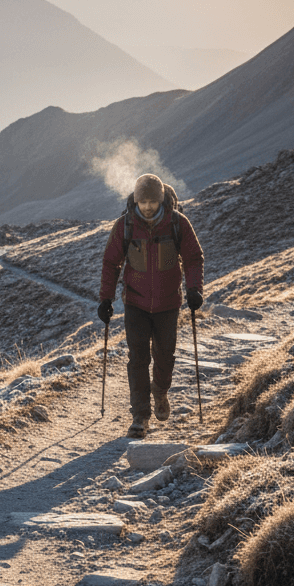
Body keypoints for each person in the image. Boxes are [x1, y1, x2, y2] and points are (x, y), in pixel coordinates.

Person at [97, 173, 204, 438]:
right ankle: (140, 416)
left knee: (165, 356)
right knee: (138, 358)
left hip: (169, 304)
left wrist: (194, 289)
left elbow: (193, 257)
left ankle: (160, 390)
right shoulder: (125, 226)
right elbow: (111, 263)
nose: (147, 206)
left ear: (161, 200)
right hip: (135, 303)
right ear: (135, 200)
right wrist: (106, 299)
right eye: (142, 201)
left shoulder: (178, 224)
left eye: (152, 202)